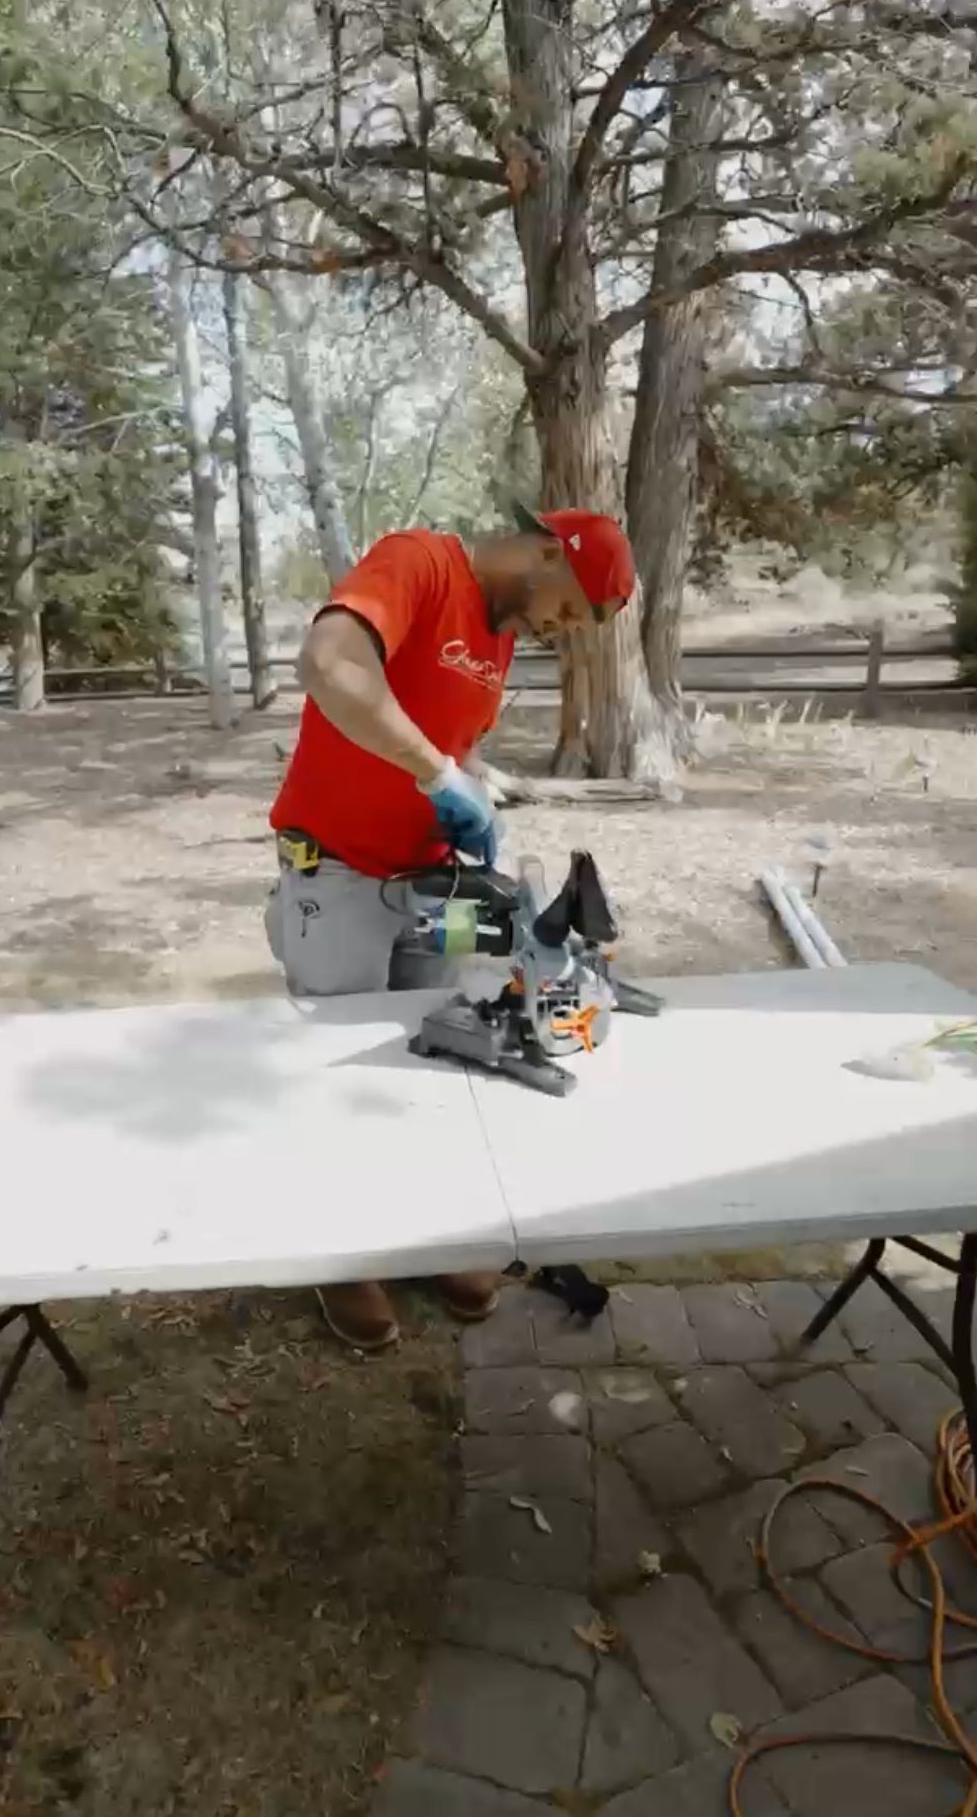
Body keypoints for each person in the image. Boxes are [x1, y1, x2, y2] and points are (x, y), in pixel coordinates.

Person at [266, 501, 636, 1350]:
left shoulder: (500, 640)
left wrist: (472, 786)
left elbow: (454, 743)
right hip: (341, 871)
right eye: (568, 608)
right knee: (335, 1060)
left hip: (435, 881)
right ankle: (343, 1256)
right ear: (548, 552)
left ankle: (426, 1230)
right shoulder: (420, 562)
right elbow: (328, 663)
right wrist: (436, 771)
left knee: (439, 1047)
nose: (559, 629)